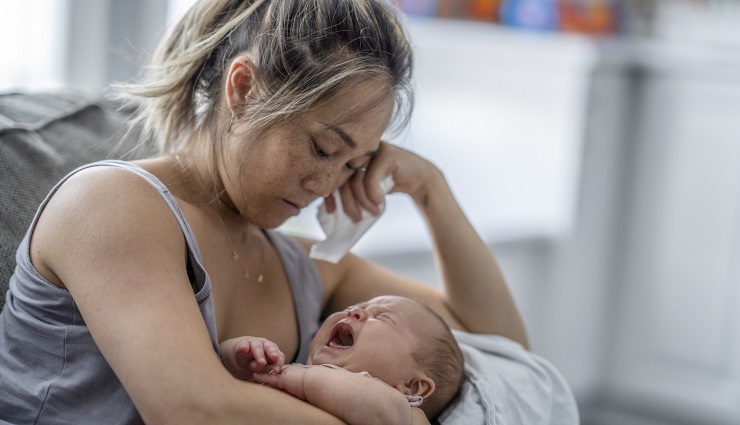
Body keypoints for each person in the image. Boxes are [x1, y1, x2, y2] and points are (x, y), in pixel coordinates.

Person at [0, 0, 530, 424]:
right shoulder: (111, 204)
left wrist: (431, 191)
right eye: (323, 149)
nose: (327, 185)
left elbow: (499, 349)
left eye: (354, 165)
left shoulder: (296, 262)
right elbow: (191, 409)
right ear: (244, 90)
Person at [220, 295, 465, 424]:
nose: (354, 312)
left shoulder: (407, 412)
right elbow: (218, 379)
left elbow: (381, 412)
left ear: (412, 387)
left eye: (383, 318)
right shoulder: (287, 371)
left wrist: (303, 377)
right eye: (356, 306)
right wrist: (237, 357)